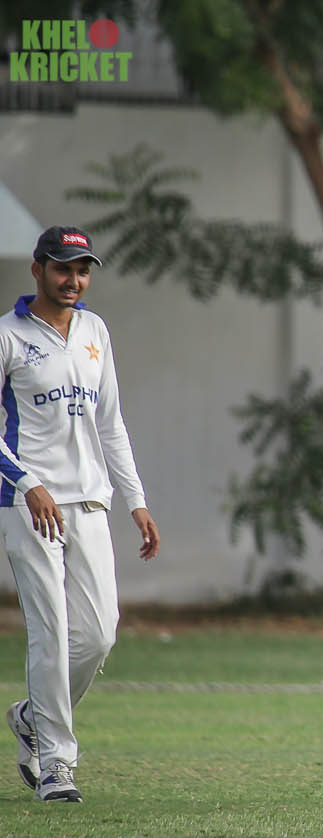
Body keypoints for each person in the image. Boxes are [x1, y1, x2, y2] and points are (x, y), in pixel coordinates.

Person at [4, 226, 160, 804]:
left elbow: (110, 422)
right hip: (29, 503)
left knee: (97, 634)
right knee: (50, 630)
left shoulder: (95, 331)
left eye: (82, 270)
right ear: (38, 270)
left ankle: (31, 715)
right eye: (63, 268)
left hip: (90, 499)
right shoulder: (8, 336)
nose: (73, 280)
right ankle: (56, 765)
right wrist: (28, 482)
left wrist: (136, 500)